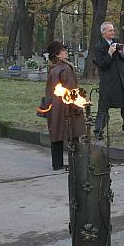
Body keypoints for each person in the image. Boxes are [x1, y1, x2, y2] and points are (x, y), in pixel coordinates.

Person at [45, 40, 85, 170]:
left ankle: (57, 163)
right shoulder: (66, 68)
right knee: (73, 133)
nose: (66, 52)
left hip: (54, 105)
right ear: (57, 54)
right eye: (63, 50)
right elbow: (71, 89)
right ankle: (76, 163)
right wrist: (77, 106)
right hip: (66, 106)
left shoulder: (53, 68)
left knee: (56, 133)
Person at [93, 21, 124, 138]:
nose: (113, 32)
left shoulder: (117, 43)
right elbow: (102, 65)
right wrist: (109, 53)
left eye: (113, 30)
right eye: (110, 30)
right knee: (103, 107)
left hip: (121, 80)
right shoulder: (98, 47)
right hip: (109, 83)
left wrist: (122, 52)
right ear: (103, 32)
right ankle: (98, 131)